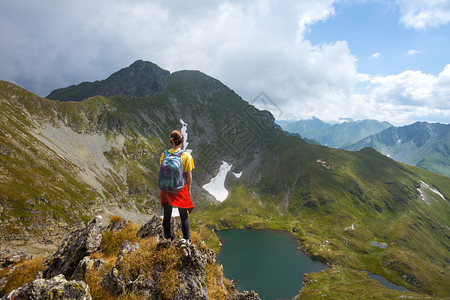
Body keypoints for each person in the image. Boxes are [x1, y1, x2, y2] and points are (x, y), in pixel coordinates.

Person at [159, 130, 195, 242]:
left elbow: (162, 170)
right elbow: (188, 175)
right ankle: (186, 240)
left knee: (167, 214)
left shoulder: (164, 154)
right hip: (180, 189)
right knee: (183, 215)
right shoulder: (186, 156)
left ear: (172, 141)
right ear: (182, 141)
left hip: (166, 188)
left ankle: (168, 238)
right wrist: (188, 190)